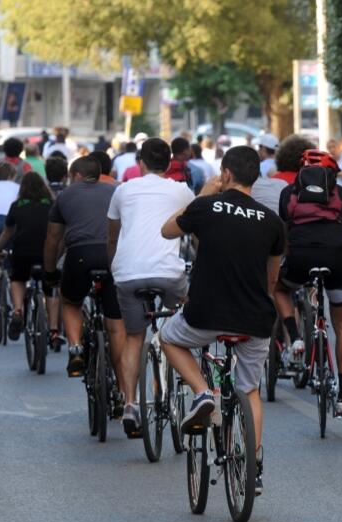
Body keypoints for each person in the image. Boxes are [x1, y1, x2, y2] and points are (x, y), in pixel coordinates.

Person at [160, 146, 284, 495]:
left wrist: (204, 194)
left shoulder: (205, 207)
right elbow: (272, 279)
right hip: (255, 318)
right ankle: (253, 467)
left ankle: (202, 393)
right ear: (256, 177)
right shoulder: (272, 221)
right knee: (250, 389)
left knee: (168, 338)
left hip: (205, 314)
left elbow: (168, 231)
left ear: (225, 174)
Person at [106, 138, 195, 437]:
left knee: (134, 336)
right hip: (168, 274)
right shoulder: (181, 190)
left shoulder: (123, 190)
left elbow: (112, 236)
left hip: (127, 273)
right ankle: (172, 380)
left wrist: (114, 266)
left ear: (139, 163)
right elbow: (196, 230)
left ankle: (130, 404)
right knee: (178, 322)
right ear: (170, 164)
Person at [275, 150, 342, 417]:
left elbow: (284, 232)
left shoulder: (289, 193)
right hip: (335, 259)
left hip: (300, 255)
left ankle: (296, 338)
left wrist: (288, 258)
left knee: (280, 289)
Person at [42, 156, 123, 379]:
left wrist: (49, 271)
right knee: (115, 322)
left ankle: (76, 348)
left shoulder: (65, 196)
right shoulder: (115, 192)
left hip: (79, 255)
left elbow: (52, 238)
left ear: (76, 175)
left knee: (70, 301)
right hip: (111, 256)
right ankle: (119, 379)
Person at [0, 173, 61, 347]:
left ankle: (18, 309)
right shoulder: (52, 205)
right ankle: (54, 331)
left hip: (22, 252)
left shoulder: (16, 206)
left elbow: (7, 232)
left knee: (17, 279)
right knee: (51, 287)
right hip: (46, 252)